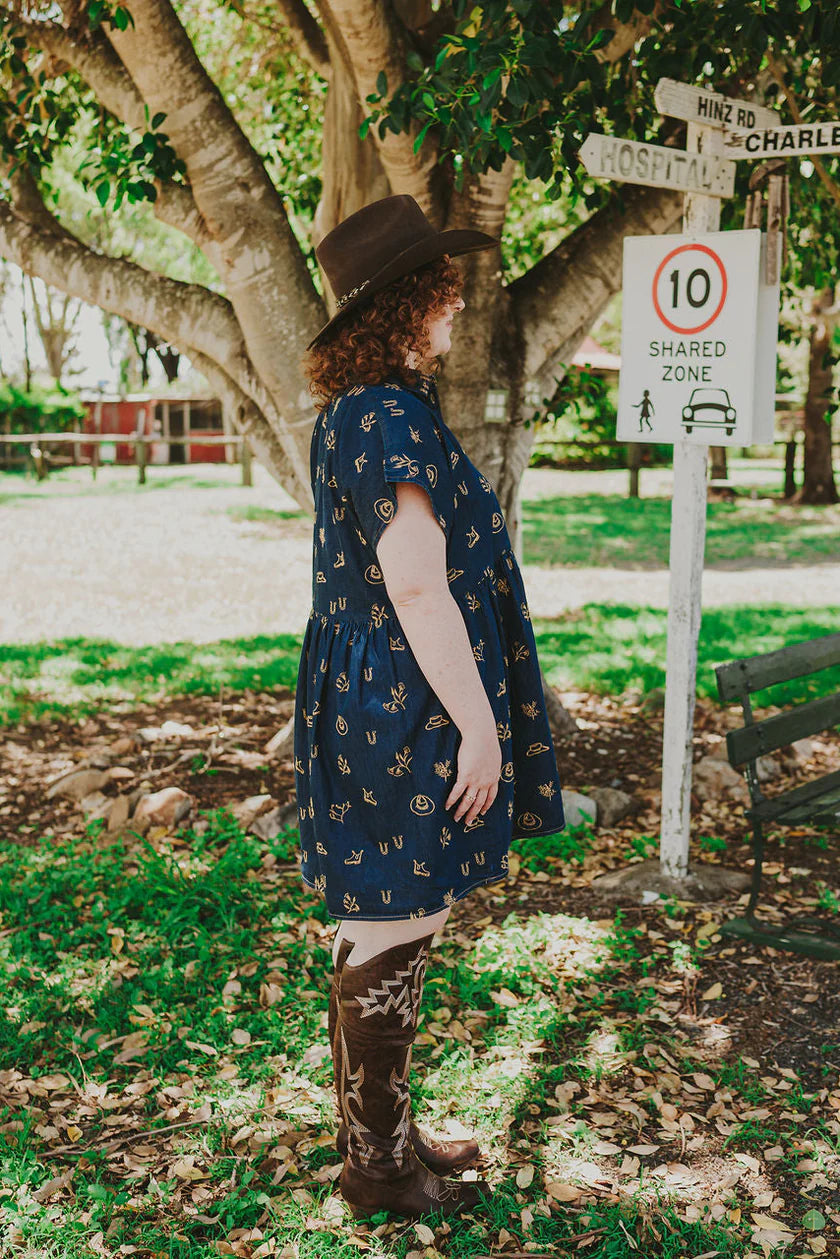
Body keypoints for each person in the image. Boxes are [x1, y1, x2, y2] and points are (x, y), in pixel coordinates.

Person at [295, 195, 566, 1221]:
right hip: (403, 697)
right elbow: (415, 585)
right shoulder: (389, 415)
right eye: (444, 286)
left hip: (373, 685)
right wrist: (484, 726)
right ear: (407, 301)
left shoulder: (360, 410)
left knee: (380, 922)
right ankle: (378, 1171)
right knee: (397, 919)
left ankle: (383, 1140)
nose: (458, 302)